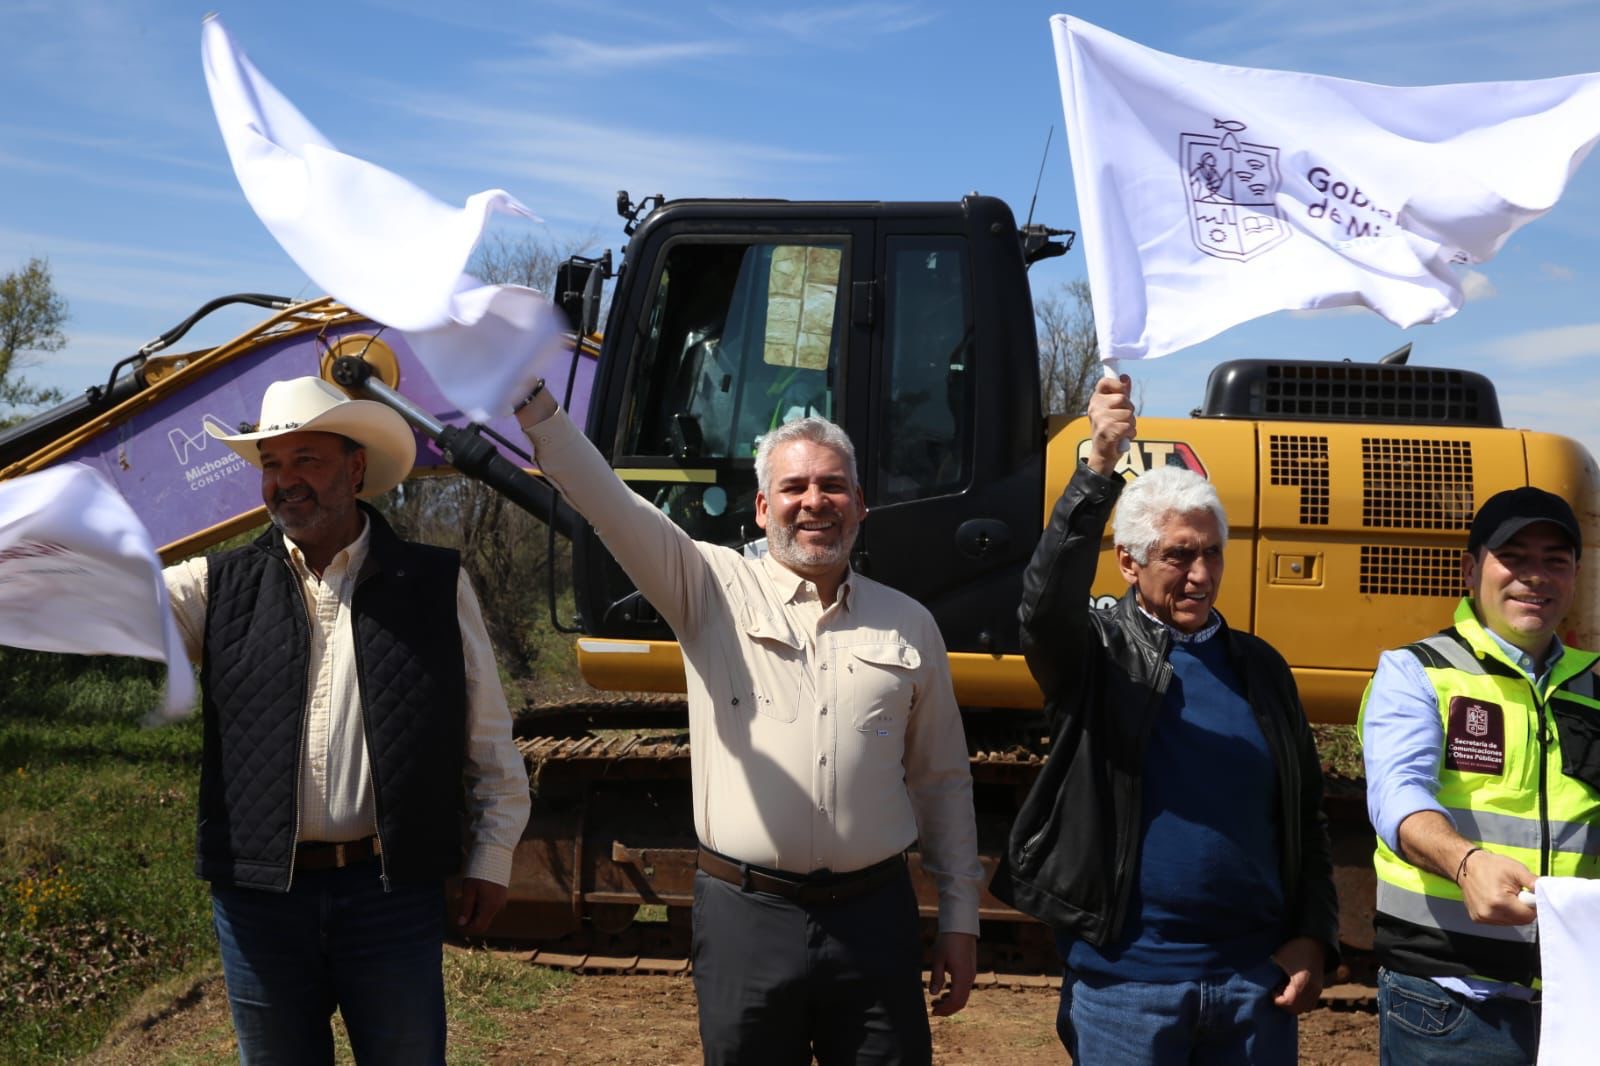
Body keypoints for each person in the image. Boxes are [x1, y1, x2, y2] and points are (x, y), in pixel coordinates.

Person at [515, 380, 982, 1065]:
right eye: (794, 487)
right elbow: (612, 507)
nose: (814, 502)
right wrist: (536, 409)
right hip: (746, 917)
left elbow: (942, 779)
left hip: (874, 917)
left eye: (833, 486)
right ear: (764, 507)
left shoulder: (909, 623)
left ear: (860, 505)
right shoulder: (708, 588)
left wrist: (961, 919)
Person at [163, 376, 531, 1065]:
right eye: (272, 464)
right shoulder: (216, 586)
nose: (285, 481)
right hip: (259, 902)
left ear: (355, 468)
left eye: (307, 460)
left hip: (388, 895)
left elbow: (485, 733)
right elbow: (117, 609)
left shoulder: (435, 583)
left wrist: (492, 854)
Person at [990, 373, 1338, 1065]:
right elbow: (1042, 607)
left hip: (1251, 989)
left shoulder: (1260, 668)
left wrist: (1314, 935)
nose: (1200, 574)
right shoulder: (1095, 657)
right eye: (1178, 555)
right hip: (1128, 990)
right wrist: (1097, 467)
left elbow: (1305, 814)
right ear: (1128, 561)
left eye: (1211, 553)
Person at [1359, 484, 1599, 1064]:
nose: (1534, 576)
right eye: (1513, 557)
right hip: (1450, 1002)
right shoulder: (1417, 672)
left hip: (1578, 1002)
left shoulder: (1595, 684)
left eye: (1554, 560)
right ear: (1471, 570)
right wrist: (1466, 864)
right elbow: (1398, 794)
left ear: (1574, 577)